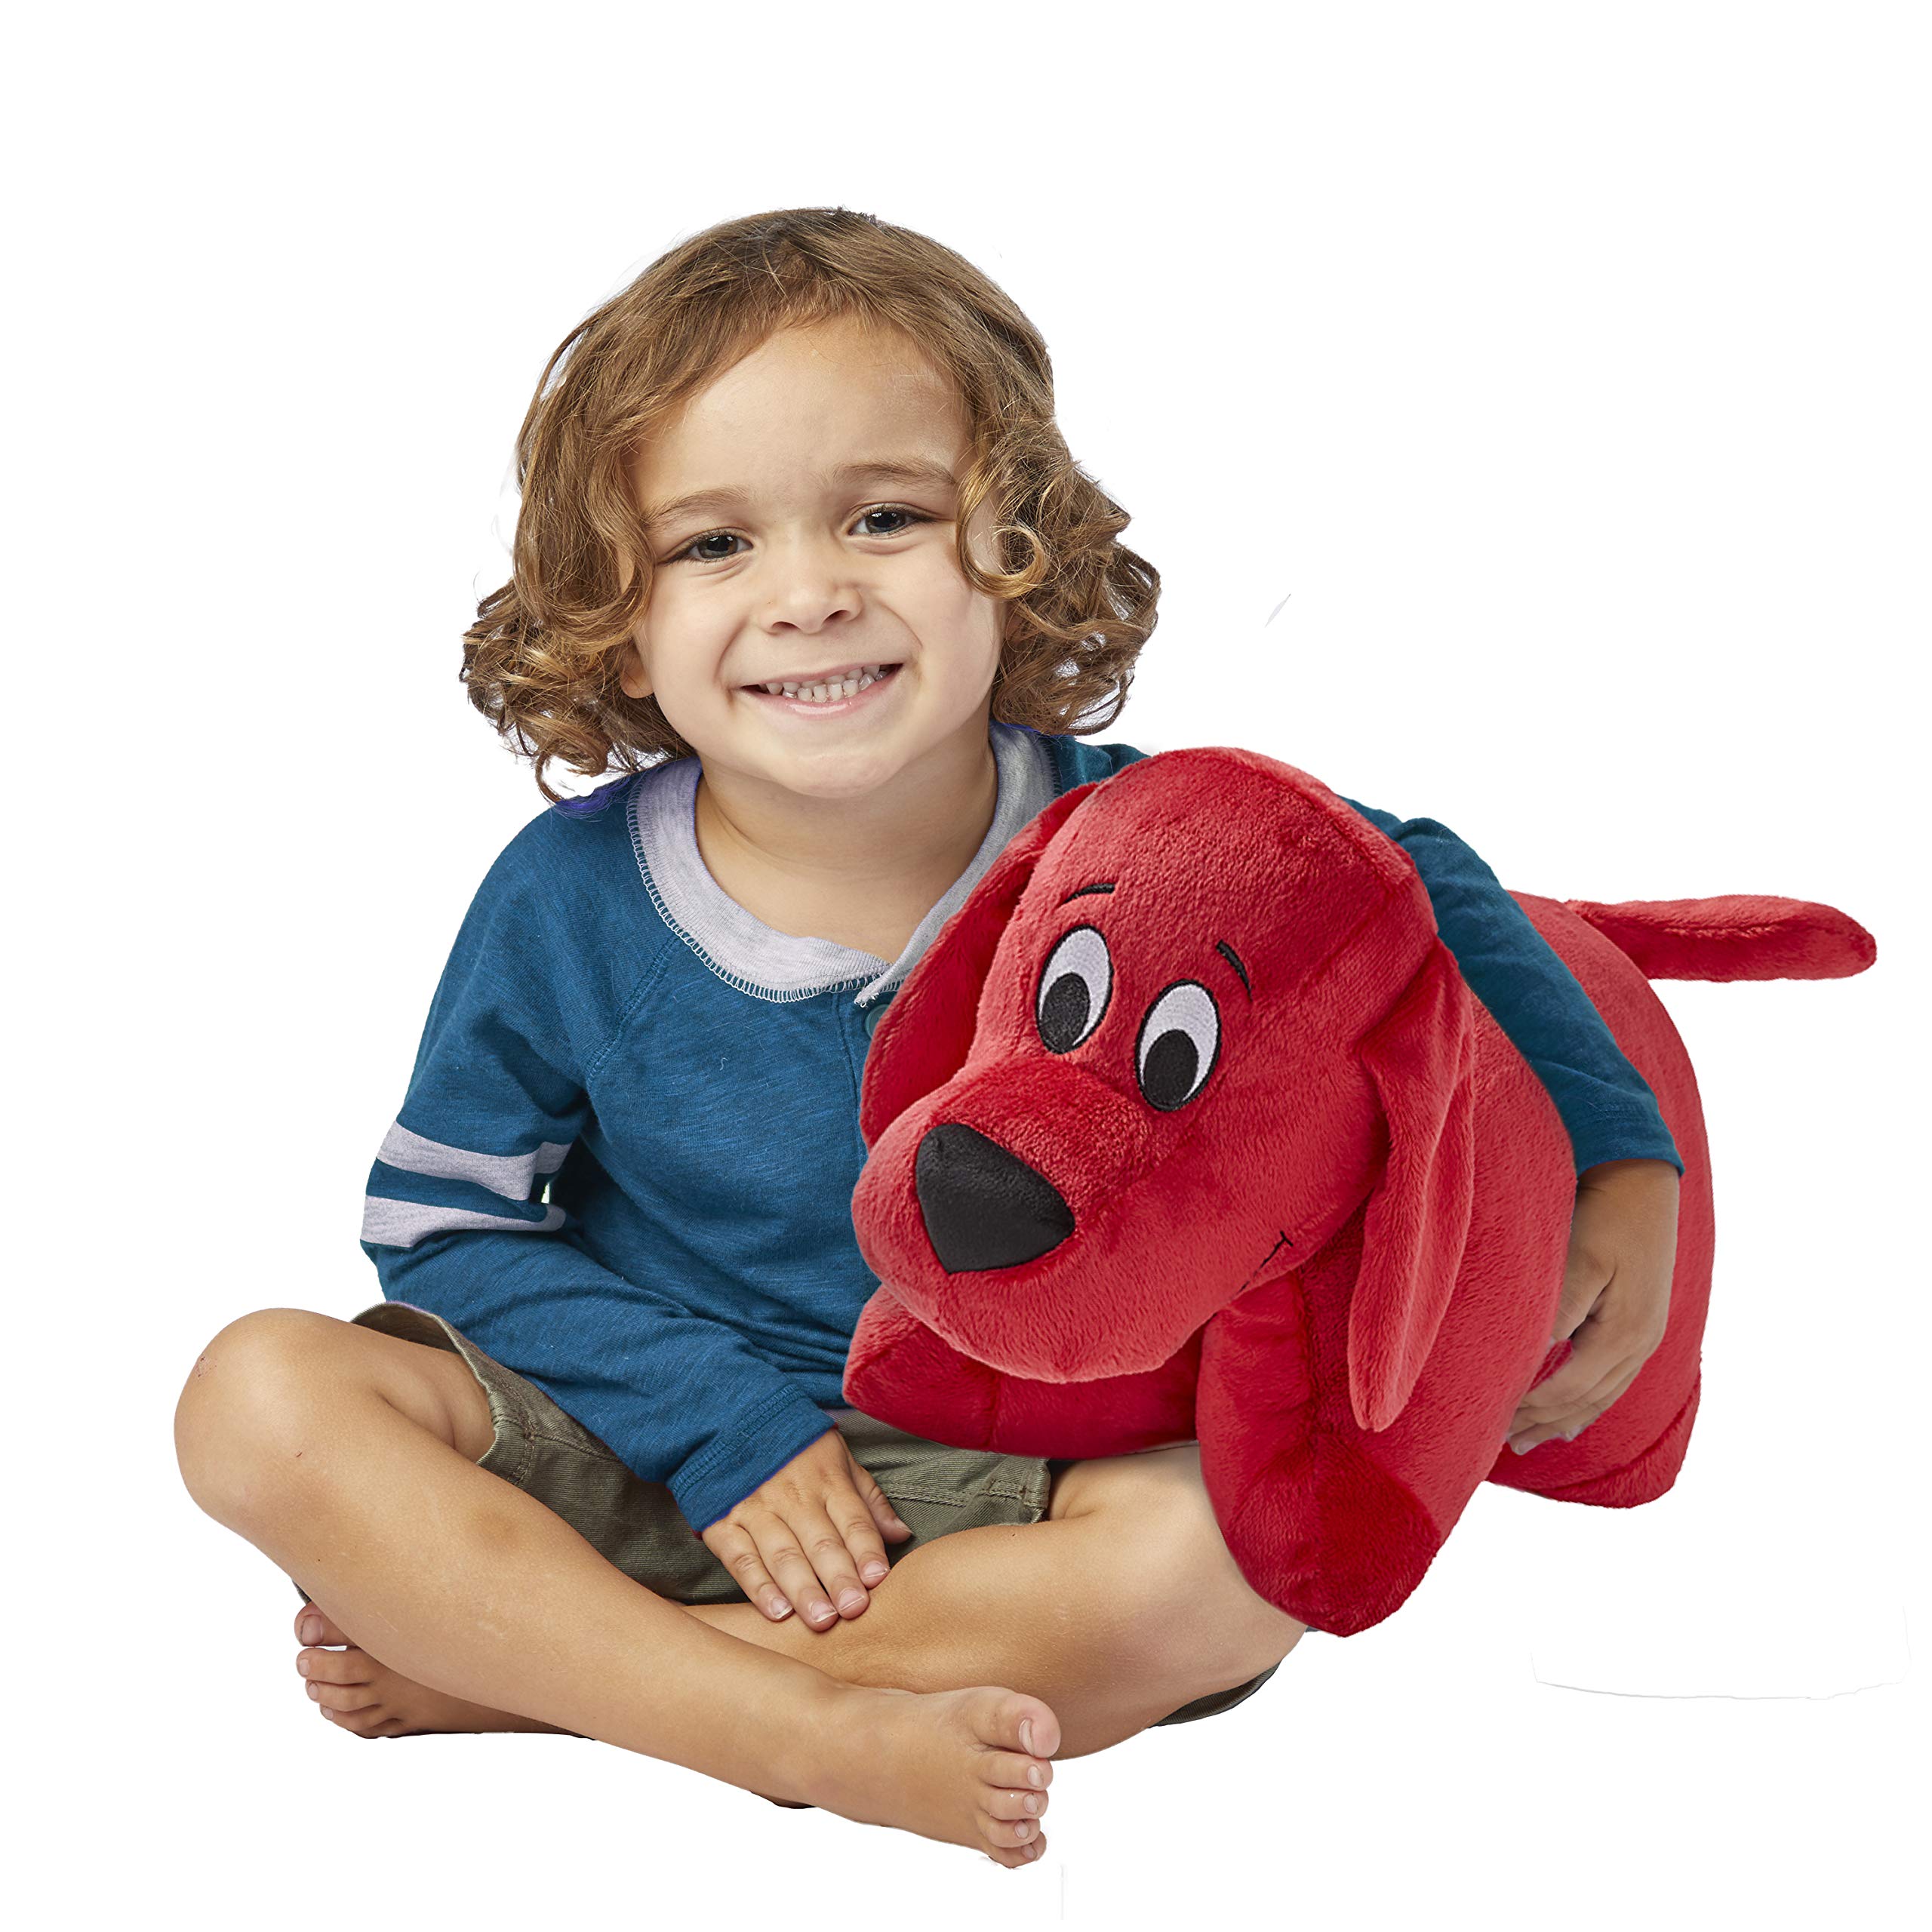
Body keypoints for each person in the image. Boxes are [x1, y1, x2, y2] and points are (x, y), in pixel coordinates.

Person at [173, 208, 1684, 1868]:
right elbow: (445, 1223)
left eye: (885, 516)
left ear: (1016, 543)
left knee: (1229, 1569)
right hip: (638, 1428)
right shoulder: (567, 897)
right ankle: (788, 1724)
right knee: (257, 1392)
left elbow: (1415, 875)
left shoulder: (1142, 843)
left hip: (1006, 1493)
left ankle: (545, 1675)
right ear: (615, 612)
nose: (810, 595)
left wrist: (1623, 1157)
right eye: (712, 544)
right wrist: (716, 1423)